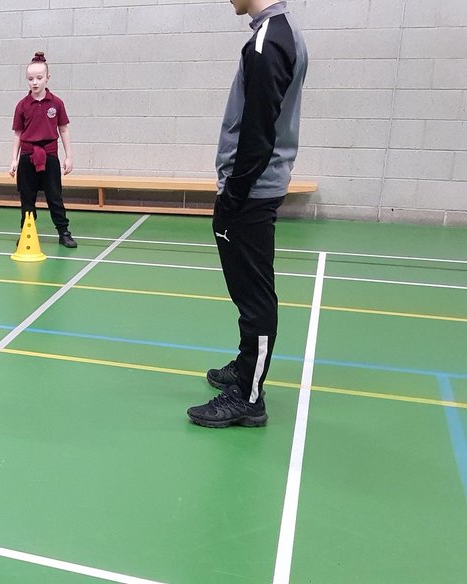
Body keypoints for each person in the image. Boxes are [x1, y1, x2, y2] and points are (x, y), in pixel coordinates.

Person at [188, 0, 307, 428]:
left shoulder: (267, 43)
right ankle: (245, 367)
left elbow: (258, 134)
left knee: (254, 295)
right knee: (247, 292)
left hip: (252, 193)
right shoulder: (278, 34)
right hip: (254, 190)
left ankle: (249, 397)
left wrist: (231, 198)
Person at [9, 51, 76, 248]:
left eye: (39, 78)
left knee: (55, 197)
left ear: (48, 77)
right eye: (30, 79)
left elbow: (63, 129)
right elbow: (18, 134)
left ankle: (63, 232)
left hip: (50, 156)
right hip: (28, 156)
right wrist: (14, 159)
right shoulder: (22, 105)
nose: (35, 82)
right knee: (27, 198)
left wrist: (69, 157)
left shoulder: (56, 103)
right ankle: (27, 233)